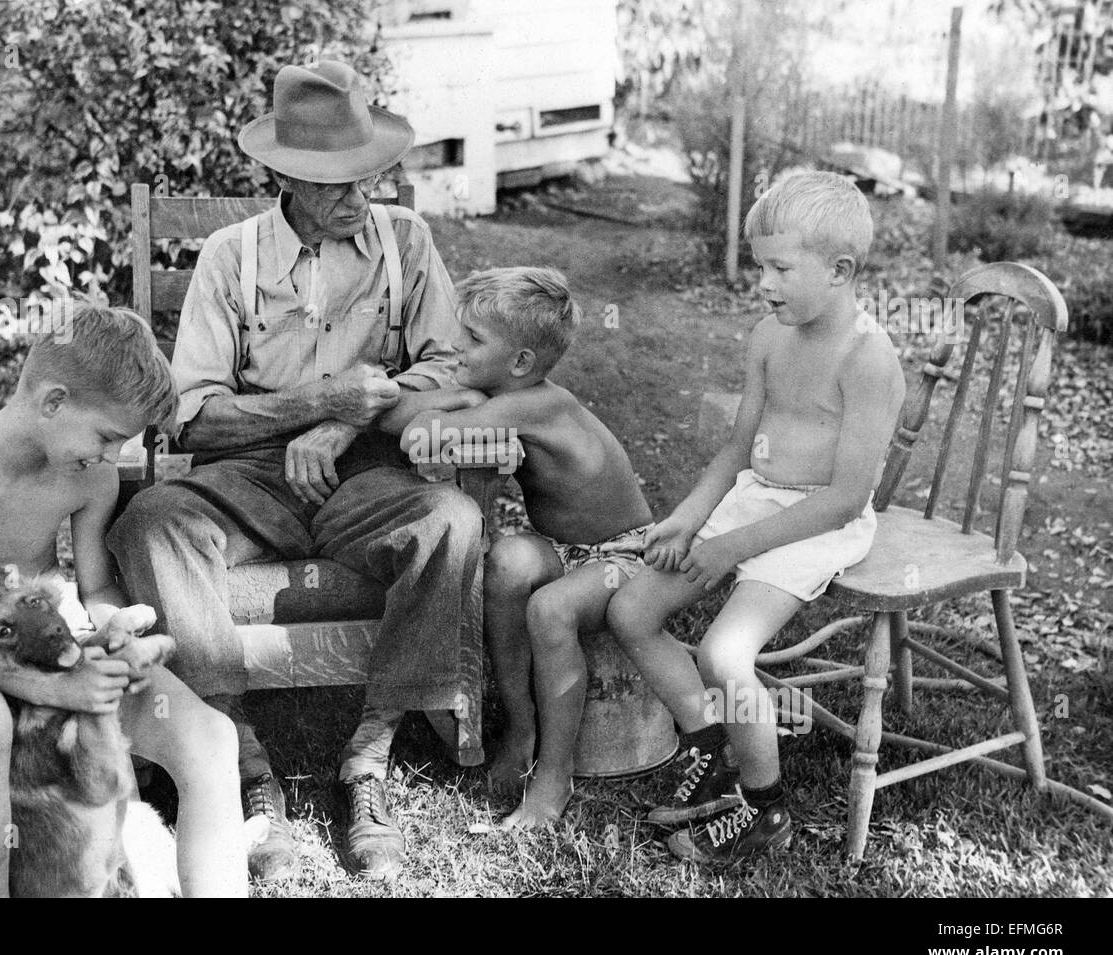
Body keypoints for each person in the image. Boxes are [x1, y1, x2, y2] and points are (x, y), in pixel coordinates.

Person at [107, 60, 482, 882]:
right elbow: (192, 414)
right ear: (280, 174)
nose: (362, 193)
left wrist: (346, 422)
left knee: (451, 520)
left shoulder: (407, 244)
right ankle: (244, 769)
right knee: (148, 522)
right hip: (249, 482)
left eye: (368, 174)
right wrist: (314, 401)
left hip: (367, 476)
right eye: (336, 181)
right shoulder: (229, 257)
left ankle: (369, 757)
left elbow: (450, 371)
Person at [0, 305, 250, 897]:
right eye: (108, 437)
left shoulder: (90, 474)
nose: (112, 457)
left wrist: (116, 635)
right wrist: (52, 689)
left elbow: (97, 590)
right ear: (54, 402)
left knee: (211, 737)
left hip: (64, 639)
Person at [608, 171, 907, 862]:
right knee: (631, 611)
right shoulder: (770, 336)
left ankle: (765, 811)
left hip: (816, 522)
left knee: (723, 652)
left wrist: (732, 546)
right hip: (755, 495)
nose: (763, 284)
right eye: (759, 266)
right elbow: (738, 449)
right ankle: (711, 741)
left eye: (779, 268)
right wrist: (689, 518)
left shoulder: (870, 359)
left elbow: (841, 496)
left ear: (839, 271)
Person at [397, 267, 654, 829]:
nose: (456, 347)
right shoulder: (513, 394)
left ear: (519, 363)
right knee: (507, 563)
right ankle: (521, 726)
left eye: (473, 339)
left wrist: (453, 400)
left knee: (548, 608)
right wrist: (463, 394)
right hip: (566, 547)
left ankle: (552, 777)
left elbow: (423, 434)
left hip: (625, 556)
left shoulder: (537, 404)